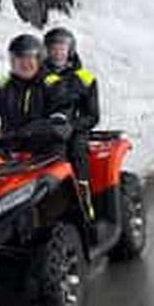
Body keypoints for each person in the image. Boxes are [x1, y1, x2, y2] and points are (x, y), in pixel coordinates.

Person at [43, 27, 99, 219]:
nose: (58, 53)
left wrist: (72, 126)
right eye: (53, 48)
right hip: (45, 129)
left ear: (70, 50)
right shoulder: (38, 78)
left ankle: (85, 203)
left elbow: (92, 115)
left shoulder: (85, 79)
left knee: (76, 152)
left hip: (74, 129)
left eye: (62, 48)